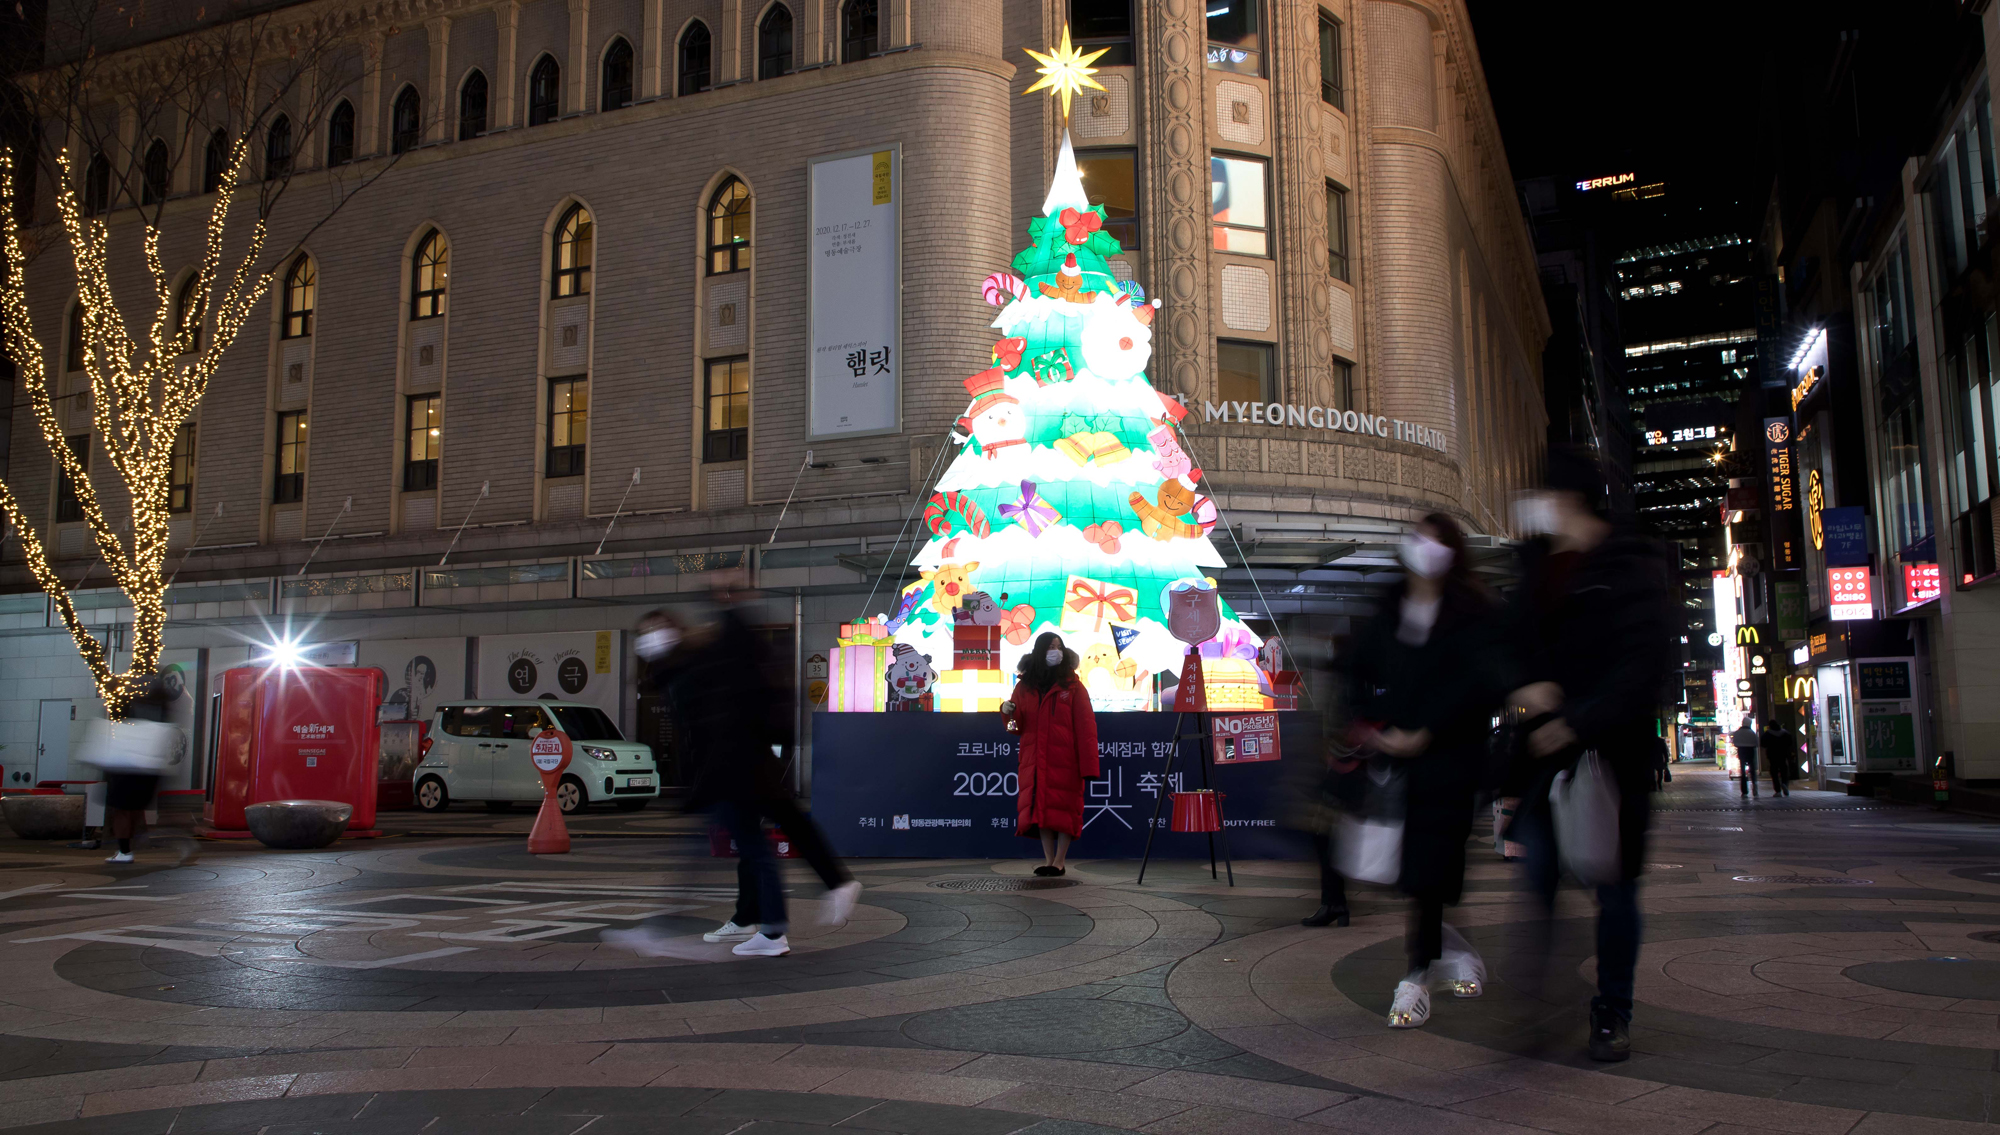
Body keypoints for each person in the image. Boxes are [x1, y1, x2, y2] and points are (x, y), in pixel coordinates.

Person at [1505, 446, 1674, 1063]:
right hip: (1545, 762)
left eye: (1542, 496)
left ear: (1566, 500)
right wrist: (1524, 689)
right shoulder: (1534, 567)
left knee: (1615, 888)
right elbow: (1510, 645)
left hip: (1613, 757)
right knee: (1538, 874)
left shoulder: (1628, 566)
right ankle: (1537, 1000)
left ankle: (1612, 1012)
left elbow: (1642, 667)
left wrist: (1575, 718)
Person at [620, 602, 860, 959]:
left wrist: (730, 604)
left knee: (740, 850)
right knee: (755, 844)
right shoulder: (679, 669)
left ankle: (766, 928)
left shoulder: (694, 666)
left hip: (730, 771)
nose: (648, 640)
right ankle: (763, 917)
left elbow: (712, 719)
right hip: (736, 768)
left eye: (653, 631)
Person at [1344, 514, 1507, 1029]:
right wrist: (1367, 725)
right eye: (1420, 539)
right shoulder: (1390, 605)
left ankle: (1415, 980)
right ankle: (1455, 954)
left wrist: (1428, 731)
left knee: (1429, 866)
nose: (1426, 549)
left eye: (1438, 542)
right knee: (1418, 875)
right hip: (1397, 761)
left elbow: (1479, 683)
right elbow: (1356, 666)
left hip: (1453, 761)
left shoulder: (1472, 611)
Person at [1000, 631, 1099, 877]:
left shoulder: (1073, 685)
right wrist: (1007, 714)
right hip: (1034, 762)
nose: (1056, 651)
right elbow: (1015, 729)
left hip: (1066, 760)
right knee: (1041, 809)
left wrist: (1089, 767)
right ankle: (1048, 860)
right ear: (1039, 651)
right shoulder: (1024, 686)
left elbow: (1086, 728)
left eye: (1059, 646)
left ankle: (1060, 861)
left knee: (1064, 809)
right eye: (1050, 646)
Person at [75, 718, 176, 864]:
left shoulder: (124, 718)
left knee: (120, 811)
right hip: (148, 767)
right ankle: (129, 844)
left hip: (124, 765)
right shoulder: (154, 715)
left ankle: (125, 850)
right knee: (133, 809)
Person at [1761, 719, 1793, 796]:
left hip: (1772, 756)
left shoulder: (1767, 734)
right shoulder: (1785, 733)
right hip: (1783, 755)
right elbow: (1790, 743)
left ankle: (1778, 790)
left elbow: (1763, 744)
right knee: (1784, 770)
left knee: (1774, 772)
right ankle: (1785, 784)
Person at [1732, 716, 1760, 798]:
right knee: (1752, 770)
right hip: (1751, 751)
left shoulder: (1737, 733)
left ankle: (1744, 791)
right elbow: (1757, 743)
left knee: (1743, 772)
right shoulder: (1752, 733)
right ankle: (1754, 785)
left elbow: (1735, 743)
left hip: (1741, 751)